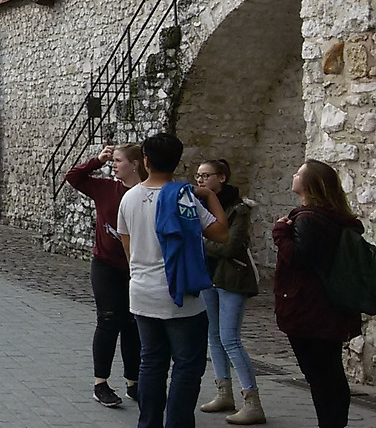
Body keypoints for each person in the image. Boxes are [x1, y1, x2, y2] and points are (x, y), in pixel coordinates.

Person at [117, 133, 228, 428]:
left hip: (142, 291)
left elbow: (128, 248)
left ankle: (148, 422)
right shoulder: (184, 197)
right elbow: (220, 233)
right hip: (180, 293)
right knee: (187, 366)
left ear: (145, 161)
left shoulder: (129, 198)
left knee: (151, 362)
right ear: (177, 162)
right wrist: (211, 196)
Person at [274, 159, 362, 428]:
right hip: (328, 306)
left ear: (311, 183)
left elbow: (299, 257)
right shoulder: (334, 217)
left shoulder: (309, 219)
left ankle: (331, 423)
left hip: (309, 308)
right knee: (329, 371)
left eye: (299, 173)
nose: (294, 175)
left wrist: (280, 233)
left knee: (321, 375)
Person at [66, 144, 147, 408]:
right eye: (112, 160)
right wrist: (96, 161)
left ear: (135, 164)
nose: (113, 165)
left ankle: (133, 382)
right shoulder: (105, 188)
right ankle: (100, 383)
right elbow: (73, 177)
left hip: (136, 267)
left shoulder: (145, 192)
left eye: (118, 160)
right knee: (109, 320)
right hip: (106, 265)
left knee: (133, 323)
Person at [194, 160, 264, 424]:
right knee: (213, 335)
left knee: (230, 338)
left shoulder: (238, 209)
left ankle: (252, 401)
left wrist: (202, 241)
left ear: (221, 178)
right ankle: (224, 391)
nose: (200, 180)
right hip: (209, 276)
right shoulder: (198, 206)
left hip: (232, 277)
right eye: (198, 176)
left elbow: (230, 246)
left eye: (206, 175)